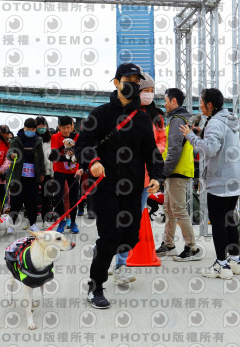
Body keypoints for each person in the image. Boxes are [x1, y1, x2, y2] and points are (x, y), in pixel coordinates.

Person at [75, 63, 163, 309]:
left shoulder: (143, 120)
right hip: (105, 187)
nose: (132, 84)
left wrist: (157, 176)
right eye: (128, 80)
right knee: (110, 236)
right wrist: (93, 161)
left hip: (133, 188)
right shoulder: (100, 114)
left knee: (130, 238)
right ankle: (96, 287)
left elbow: (151, 152)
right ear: (116, 82)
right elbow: (83, 145)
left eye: (136, 81)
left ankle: (104, 250)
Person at [180, 88, 240, 280]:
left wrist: (191, 136)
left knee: (218, 221)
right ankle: (235, 261)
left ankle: (221, 264)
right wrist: (200, 133)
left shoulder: (215, 122)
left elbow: (210, 149)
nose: (200, 106)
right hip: (235, 178)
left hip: (221, 179)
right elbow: (218, 141)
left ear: (209, 104)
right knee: (229, 219)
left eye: (201, 103)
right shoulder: (227, 119)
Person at [112, 71, 166, 284]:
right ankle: (108, 256)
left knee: (131, 220)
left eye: (152, 91)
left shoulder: (156, 116)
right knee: (115, 219)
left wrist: (154, 151)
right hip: (120, 176)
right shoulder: (121, 113)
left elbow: (162, 139)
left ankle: (121, 264)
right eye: (146, 90)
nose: (149, 94)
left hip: (145, 177)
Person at [154, 87, 201, 261]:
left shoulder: (177, 120)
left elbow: (174, 149)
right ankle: (169, 245)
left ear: (174, 101)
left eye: (166, 100)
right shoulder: (181, 118)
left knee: (179, 210)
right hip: (176, 170)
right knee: (169, 209)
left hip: (177, 171)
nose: (164, 104)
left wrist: (163, 173)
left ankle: (192, 248)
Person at [8, 118, 45, 233]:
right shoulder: (17, 139)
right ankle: (10, 224)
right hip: (18, 175)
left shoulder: (37, 140)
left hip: (33, 176)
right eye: (28, 129)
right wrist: (12, 155)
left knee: (32, 201)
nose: (30, 131)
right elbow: (9, 153)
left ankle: (32, 224)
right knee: (16, 200)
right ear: (24, 128)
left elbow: (41, 157)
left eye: (33, 129)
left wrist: (42, 172)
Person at [49, 116, 81, 234]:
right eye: (63, 128)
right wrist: (68, 157)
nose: (66, 130)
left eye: (68, 127)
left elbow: (80, 154)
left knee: (74, 197)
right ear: (59, 127)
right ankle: (61, 221)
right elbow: (54, 155)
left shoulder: (77, 137)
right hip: (59, 171)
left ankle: (73, 222)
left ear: (72, 126)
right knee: (58, 197)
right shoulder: (55, 137)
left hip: (73, 171)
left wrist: (74, 158)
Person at [35, 116, 56, 222]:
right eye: (39, 125)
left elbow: (52, 159)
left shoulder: (51, 139)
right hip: (34, 172)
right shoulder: (33, 139)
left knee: (47, 197)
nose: (41, 127)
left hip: (48, 172)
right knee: (32, 197)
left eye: (43, 125)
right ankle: (31, 220)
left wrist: (52, 175)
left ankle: (45, 219)